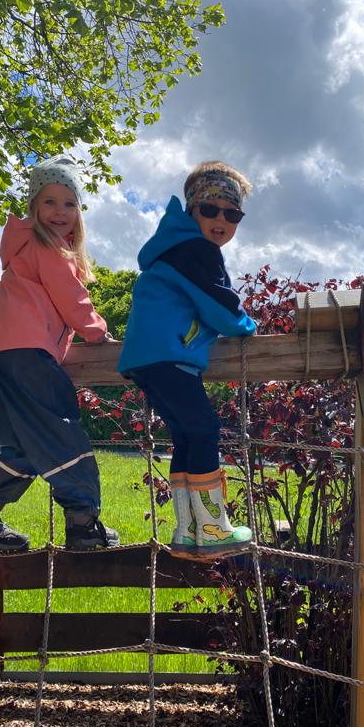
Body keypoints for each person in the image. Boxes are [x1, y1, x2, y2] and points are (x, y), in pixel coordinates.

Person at [0, 155, 119, 553]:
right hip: (28, 356)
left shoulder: (20, 255)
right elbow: (72, 298)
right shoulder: (47, 247)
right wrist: (97, 332)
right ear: (33, 207)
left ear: (79, 212)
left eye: (69, 203)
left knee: (23, 447)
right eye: (50, 202)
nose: (60, 212)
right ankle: (83, 523)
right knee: (61, 432)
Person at [118, 161, 257, 559]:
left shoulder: (172, 249)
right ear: (192, 209)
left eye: (232, 214)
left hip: (151, 358)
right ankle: (213, 530)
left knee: (187, 435)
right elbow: (222, 308)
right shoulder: (196, 250)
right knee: (205, 429)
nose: (221, 220)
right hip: (169, 354)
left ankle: (188, 531)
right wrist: (248, 325)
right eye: (210, 209)